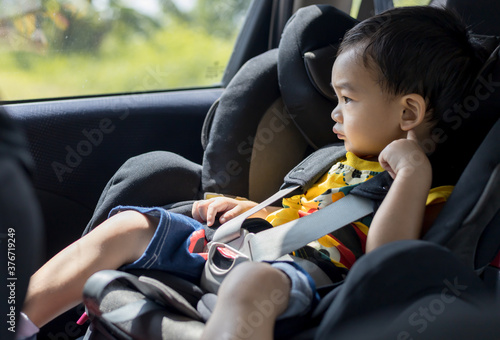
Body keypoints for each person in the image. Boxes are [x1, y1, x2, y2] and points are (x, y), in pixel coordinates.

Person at [19, 6, 486, 340]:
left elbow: (386, 265)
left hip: (301, 282)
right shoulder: (337, 162)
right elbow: (307, 212)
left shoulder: (426, 189)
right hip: (242, 249)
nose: (335, 114)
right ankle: (17, 324)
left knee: (251, 284)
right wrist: (254, 214)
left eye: (348, 99)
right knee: (127, 225)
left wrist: (410, 176)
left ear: (408, 113)